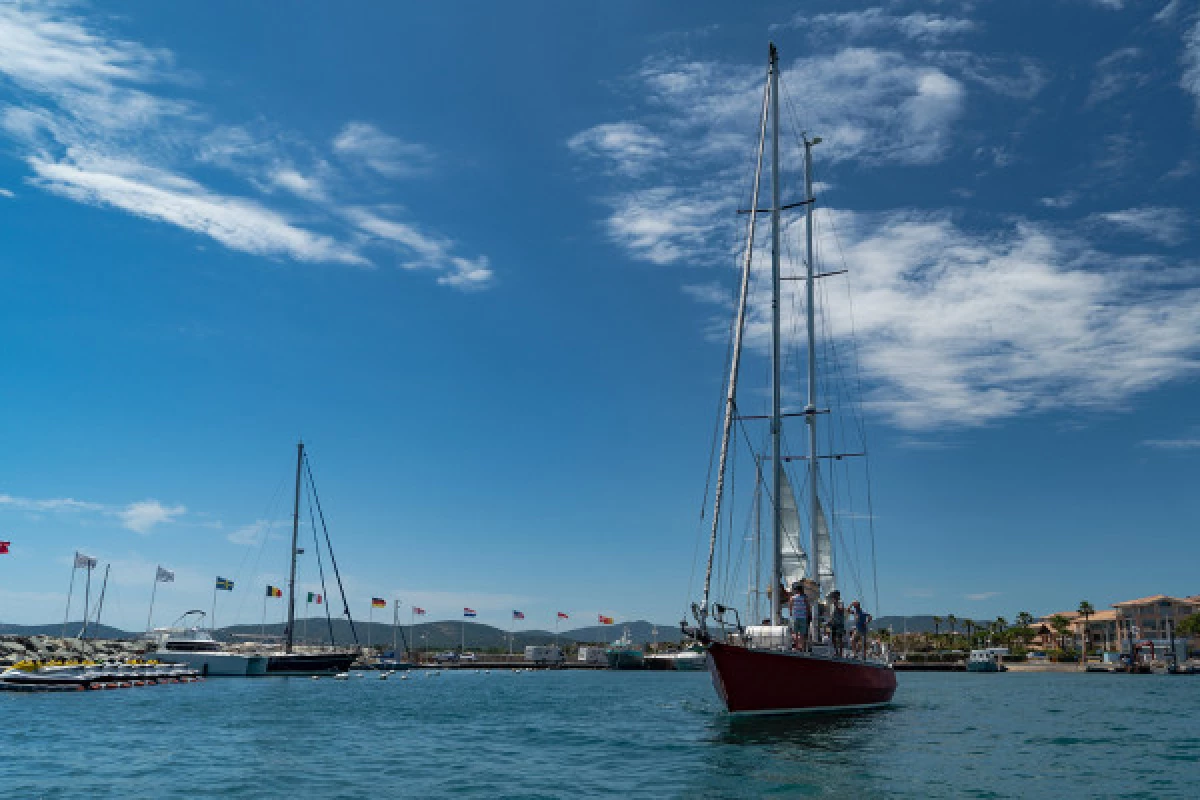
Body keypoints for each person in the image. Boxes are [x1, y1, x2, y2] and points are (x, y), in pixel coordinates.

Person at [788, 581, 811, 651]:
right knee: (802, 634)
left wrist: (791, 613)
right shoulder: (805, 597)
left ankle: (797, 647)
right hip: (803, 617)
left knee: (795, 633)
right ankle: (802, 648)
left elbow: (790, 606)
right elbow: (808, 607)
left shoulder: (792, 598)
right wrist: (808, 615)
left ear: (796, 590)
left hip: (795, 617)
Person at [828, 590, 845, 657]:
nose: (833, 597)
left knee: (839, 638)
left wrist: (836, 605)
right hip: (834, 623)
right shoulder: (832, 604)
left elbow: (841, 611)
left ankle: (840, 653)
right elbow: (832, 614)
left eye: (834, 596)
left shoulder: (840, 602)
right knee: (833, 638)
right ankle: (836, 652)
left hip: (839, 623)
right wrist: (830, 621)